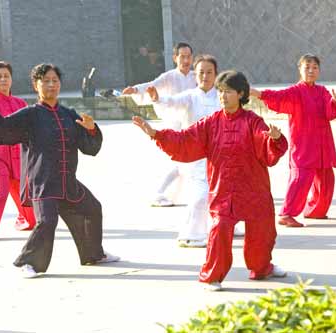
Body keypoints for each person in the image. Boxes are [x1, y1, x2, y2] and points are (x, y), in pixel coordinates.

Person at [133, 70, 288, 291]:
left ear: (241, 94)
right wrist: (156, 134)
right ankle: (212, 276)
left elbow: (267, 146)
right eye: (221, 92)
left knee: (262, 231)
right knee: (219, 230)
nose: (223, 96)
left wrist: (274, 139)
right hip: (224, 189)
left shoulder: (253, 121)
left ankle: (262, 267)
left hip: (254, 188)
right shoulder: (211, 123)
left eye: (229, 92)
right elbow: (185, 140)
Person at [0, 63, 119, 277]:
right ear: (36, 86)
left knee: (92, 208)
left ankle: (94, 254)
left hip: (67, 182)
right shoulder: (30, 115)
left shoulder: (69, 114)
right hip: (42, 182)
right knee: (47, 222)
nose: (51, 85)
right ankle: (31, 263)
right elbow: (5, 130)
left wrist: (91, 130)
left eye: (55, 81)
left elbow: (89, 148)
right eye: (45, 81)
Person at [250, 54, 336, 227]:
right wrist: (257, 93)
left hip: (323, 144)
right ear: (300, 70)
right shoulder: (296, 91)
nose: (311, 70)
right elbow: (278, 97)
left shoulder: (322, 91)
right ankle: (287, 213)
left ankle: (315, 211)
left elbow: (330, 113)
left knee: (326, 182)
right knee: (300, 179)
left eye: (315, 67)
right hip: (304, 144)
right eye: (307, 67)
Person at [146, 54, 220, 248]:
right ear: (196, 75)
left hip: (220, 154)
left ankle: (225, 225)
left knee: (223, 192)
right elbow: (171, 102)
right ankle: (191, 235)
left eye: (209, 72)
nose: (205, 76)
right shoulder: (190, 96)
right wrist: (157, 99)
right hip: (196, 155)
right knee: (200, 195)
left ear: (216, 74)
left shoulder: (222, 96)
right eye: (201, 72)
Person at [123, 42, 197, 207]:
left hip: (192, 123)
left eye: (188, 56)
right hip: (175, 124)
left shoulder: (196, 76)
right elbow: (152, 86)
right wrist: (135, 90)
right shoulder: (169, 76)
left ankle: (171, 195)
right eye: (182, 56)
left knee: (187, 163)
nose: (186, 60)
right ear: (175, 58)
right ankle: (159, 193)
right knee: (180, 161)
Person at [0, 61, 36, 241]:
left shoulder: (20, 103)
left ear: (11, 79)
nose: (3, 79)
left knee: (31, 216)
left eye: (6, 76)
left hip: (20, 161)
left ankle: (23, 219)